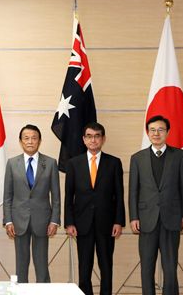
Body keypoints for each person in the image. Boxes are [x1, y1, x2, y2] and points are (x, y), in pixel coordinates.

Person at [129, 115, 183, 295]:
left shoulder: (180, 156)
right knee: (146, 268)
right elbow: (133, 191)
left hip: (171, 219)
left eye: (161, 130)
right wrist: (133, 217)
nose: (156, 133)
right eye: (153, 130)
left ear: (167, 132)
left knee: (170, 268)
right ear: (148, 133)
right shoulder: (137, 158)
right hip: (146, 220)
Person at [64, 122, 125, 295]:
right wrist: (69, 222)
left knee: (106, 266)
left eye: (97, 136)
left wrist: (118, 221)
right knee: (84, 268)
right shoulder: (73, 164)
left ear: (103, 139)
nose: (93, 140)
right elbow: (69, 196)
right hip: (82, 224)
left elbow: (119, 195)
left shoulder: (114, 163)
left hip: (106, 224)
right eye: (89, 136)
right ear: (84, 139)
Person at [3, 124, 60, 283]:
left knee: (42, 265)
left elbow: (56, 196)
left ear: (39, 141)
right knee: (21, 266)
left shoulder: (50, 163)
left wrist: (54, 220)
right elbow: (7, 195)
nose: (30, 141)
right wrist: (8, 220)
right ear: (20, 141)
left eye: (34, 138)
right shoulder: (12, 163)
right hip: (18, 221)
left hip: (43, 221)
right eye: (26, 138)